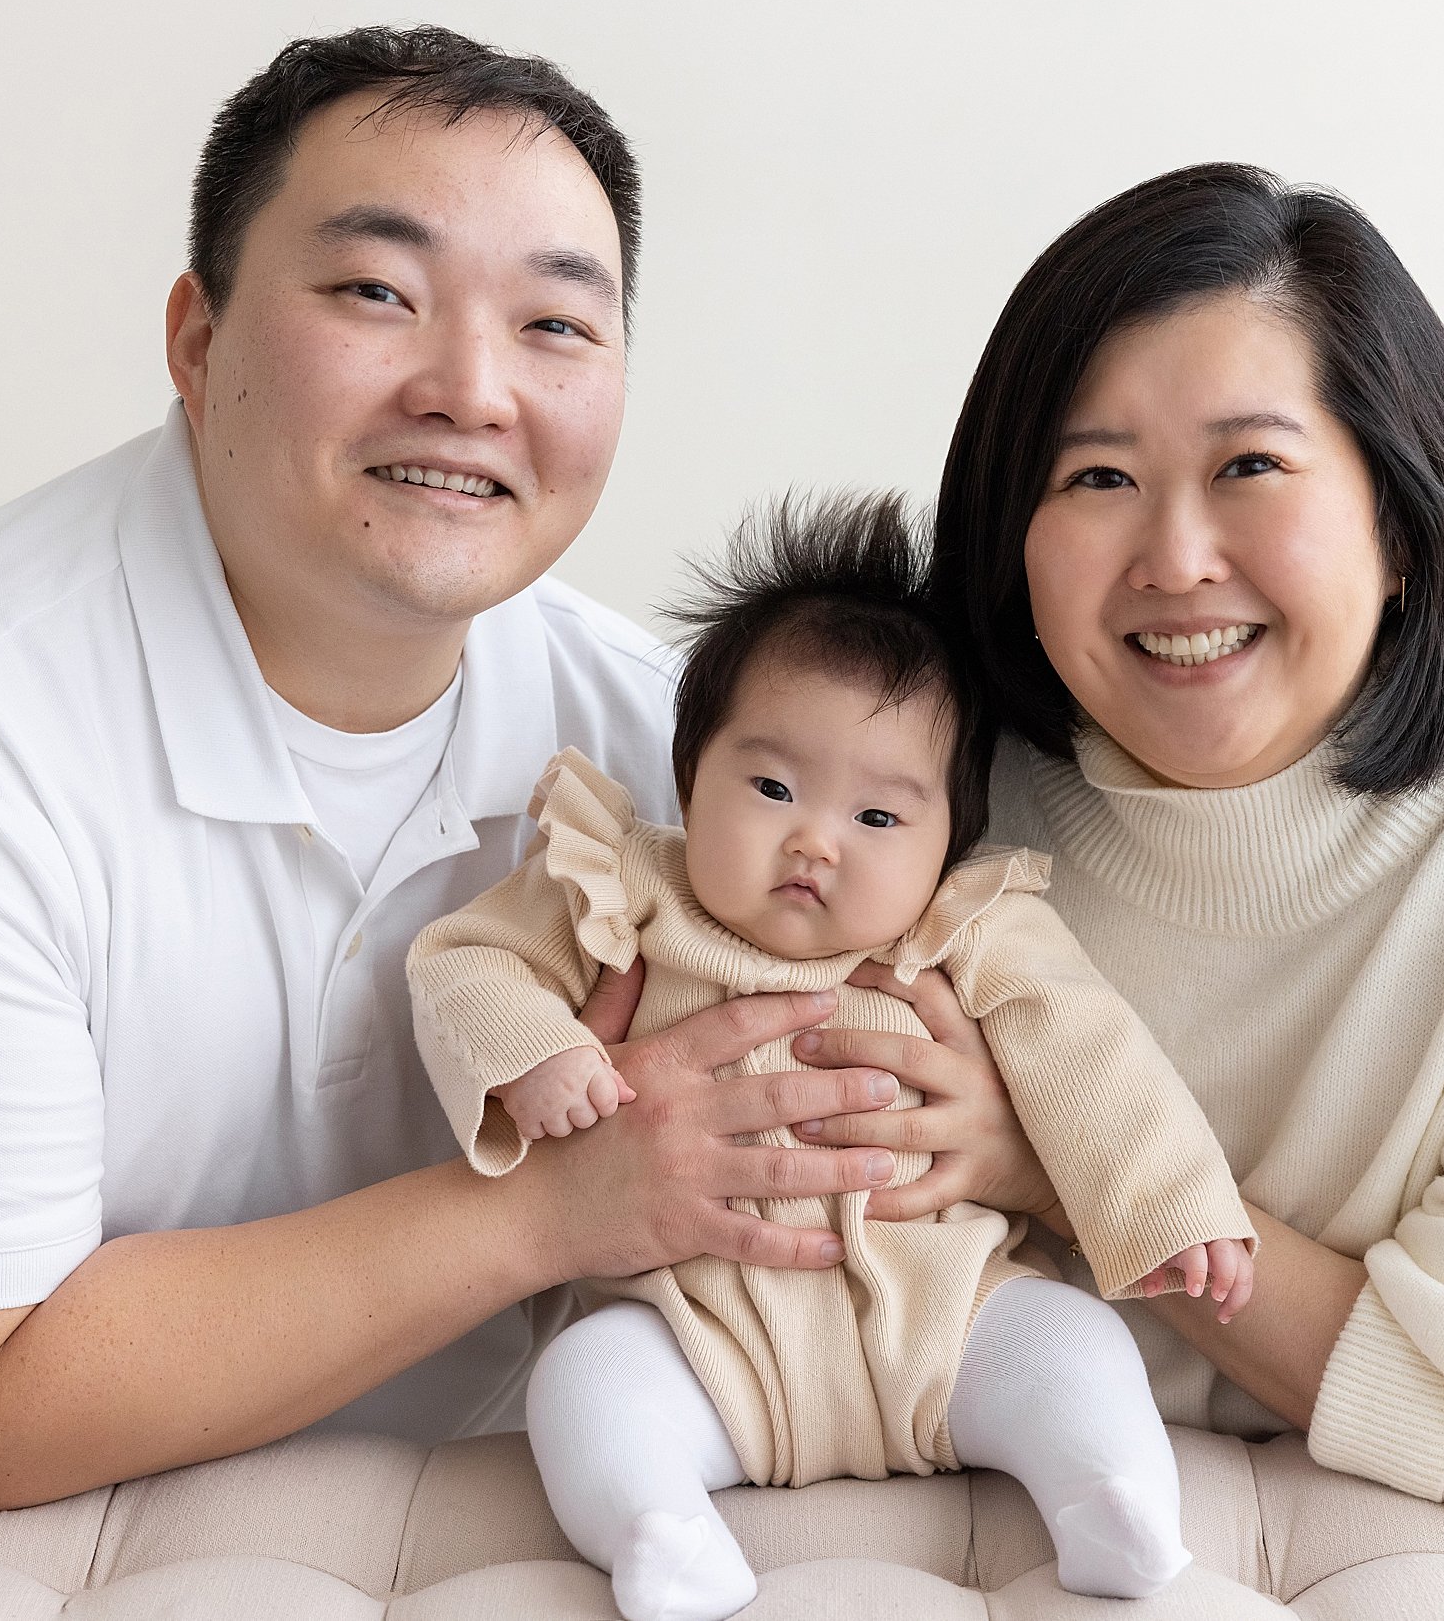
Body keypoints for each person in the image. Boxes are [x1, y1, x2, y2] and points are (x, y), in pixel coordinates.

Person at [0, 25, 921, 1515]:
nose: (471, 388)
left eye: (555, 325)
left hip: (453, 1509)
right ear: (196, 338)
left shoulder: (668, 749)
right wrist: (557, 1207)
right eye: (378, 291)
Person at [783, 162, 1444, 1533]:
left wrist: (1062, 1163)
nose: (1174, 554)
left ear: (1398, 516)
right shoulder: (915, 792)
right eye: (1097, 474)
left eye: (1250, 466)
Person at [407, 492, 1255, 1619]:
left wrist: (1178, 1204)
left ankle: (1108, 1498)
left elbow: (1095, 1060)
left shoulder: (967, 928)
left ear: (950, 840)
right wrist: (535, 1050)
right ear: (689, 774)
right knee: (585, 1384)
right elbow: (461, 963)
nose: (813, 838)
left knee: (1074, 1344)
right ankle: (658, 1529)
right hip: (699, 1335)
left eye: (877, 817)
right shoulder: (618, 889)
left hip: (946, 1320)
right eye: (770, 788)